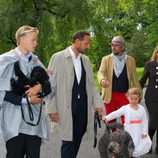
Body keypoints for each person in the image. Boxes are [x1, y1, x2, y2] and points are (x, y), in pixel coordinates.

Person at [46, 30, 104, 158]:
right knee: (68, 142)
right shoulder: (58, 57)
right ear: (77, 41)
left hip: (83, 109)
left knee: (76, 139)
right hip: (66, 109)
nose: (88, 46)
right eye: (86, 43)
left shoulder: (86, 60)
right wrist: (51, 109)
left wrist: (98, 105)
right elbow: (50, 86)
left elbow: (92, 85)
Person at [0, 25, 52, 158]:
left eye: (36, 40)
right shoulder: (5, 60)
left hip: (34, 124)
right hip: (15, 123)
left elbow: (49, 84)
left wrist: (40, 86)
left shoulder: (36, 62)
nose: (36, 43)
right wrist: (27, 100)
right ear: (21, 39)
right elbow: (2, 92)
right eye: (33, 40)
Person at [98, 35, 141, 125]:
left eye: (116, 45)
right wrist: (102, 80)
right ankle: (113, 138)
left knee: (127, 120)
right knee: (110, 120)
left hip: (125, 96)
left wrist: (139, 94)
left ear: (122, 47)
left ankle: (125, 138)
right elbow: (100, 72)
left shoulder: (130, 60)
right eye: (112, 45)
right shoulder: (106, 59)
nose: (113, 48)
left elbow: (135, 79)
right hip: (110, 95)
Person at [102, 87, 152, 158]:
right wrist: (107, 117)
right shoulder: (126, 108)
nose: (134, 101)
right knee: (128, 144)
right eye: (132, 99)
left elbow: (145, 121)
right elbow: (116, 113)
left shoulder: (141, 109)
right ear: (128, 97)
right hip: (129, 130)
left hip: (138, 130)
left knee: (137, 144)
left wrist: (145, 132)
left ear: (139, 98)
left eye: (136, 99)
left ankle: (135, 155)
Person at [140, 45, 158, 154]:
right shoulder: (149, 64)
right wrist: (136, 95)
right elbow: (142, 80)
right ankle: (148, 144)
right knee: (154, 121)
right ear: (156, 53)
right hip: (152, 98)